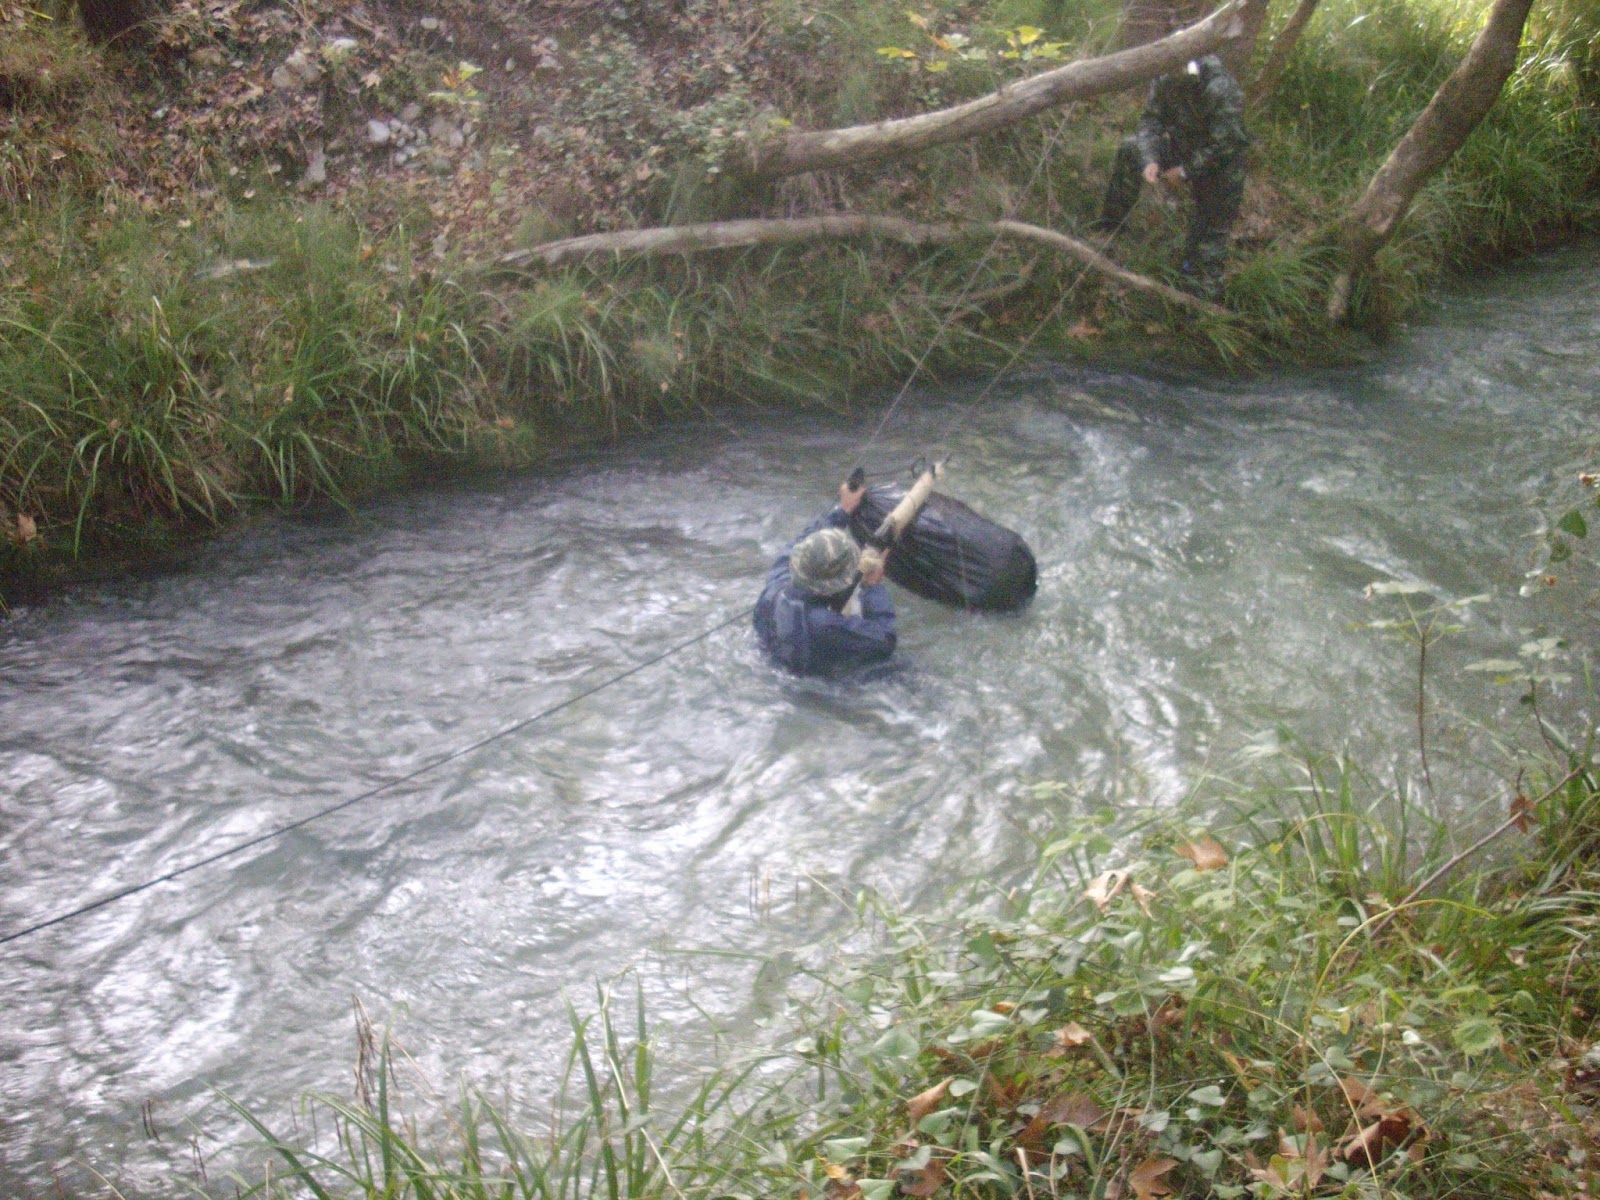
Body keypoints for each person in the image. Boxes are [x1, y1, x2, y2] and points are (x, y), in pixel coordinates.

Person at [1095, 54, 1250, 302]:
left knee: (1208, 240)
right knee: (1131, 149)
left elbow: (1228, 144)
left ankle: (1205, 306)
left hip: (1222, 166)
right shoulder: (1164, 76)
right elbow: (1151, 122)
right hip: (1183, 147)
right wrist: (1150, 159)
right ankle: (1111, 230)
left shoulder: (1219, 86)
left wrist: (1185, 172)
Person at [754, 478, 896, 676]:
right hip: (818, 687)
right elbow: (885, 640)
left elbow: (806, 540)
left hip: (773, 664)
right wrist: (872, 588)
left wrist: (843, 511)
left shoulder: (776, 585)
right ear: (837, 585)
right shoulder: (826, 626)